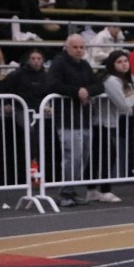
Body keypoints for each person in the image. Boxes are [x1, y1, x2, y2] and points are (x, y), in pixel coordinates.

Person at [48, 33, 105, 206]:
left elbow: (98, 85)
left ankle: (71, 190)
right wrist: (76, 92)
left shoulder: (85, 65)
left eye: (81, 47)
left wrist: (87, 91)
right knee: (71, 156)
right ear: (67, 48)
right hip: (67, 119)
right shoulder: (59, 63)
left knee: (83, 157)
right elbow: (52, 84)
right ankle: (64, 192)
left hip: (84, 118)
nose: (79, 50)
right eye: (75, 47)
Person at [91, 49, 134, 202]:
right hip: (102, 123)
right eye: (119, 62)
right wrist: (132, 93)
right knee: (106, 156)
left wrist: (131, 90)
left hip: (110, 122)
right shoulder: (111, 80)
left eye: (125, 61)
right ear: (112, 64)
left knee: (101, 156)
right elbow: (124, 105)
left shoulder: (125, 79)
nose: (124, 64)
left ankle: (92, 189)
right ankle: (103, 190)